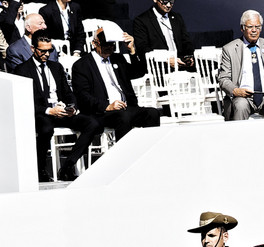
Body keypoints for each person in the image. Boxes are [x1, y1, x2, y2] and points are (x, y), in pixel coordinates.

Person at [15, 31, 102, 181]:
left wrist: (72, 107)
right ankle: (40, 169)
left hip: (61, 111)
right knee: (46, 129)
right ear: (32, 49)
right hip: (42, 113)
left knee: (92, 123)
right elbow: (24, 101)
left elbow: (68, 93)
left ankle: (68, 165)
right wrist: (49, 110)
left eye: (50, 50)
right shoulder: (22, 70)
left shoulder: (56, 67)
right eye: (42, 51)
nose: (47, 54)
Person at [71, 28, 160, 140]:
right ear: (94, 43)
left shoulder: (117, 58)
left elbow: (139, 72)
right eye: (105, 44)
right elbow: (82, 95)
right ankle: (125, 154)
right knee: (124, 117)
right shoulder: (82, 65)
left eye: (112, 44)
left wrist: (131, 50)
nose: (109, 47)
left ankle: (148, 150)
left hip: (126, 107)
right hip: (101, 111)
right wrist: (107, 106)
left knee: (153, 113)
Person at [218, 9, 264, 121]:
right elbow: (223, 78)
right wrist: (235, 90)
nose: (254, 30)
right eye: (250, 27)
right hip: (243, 97)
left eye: (258, 27)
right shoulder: (229, 49)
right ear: (242, 28)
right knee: (240, 105)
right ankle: (240, 137)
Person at [132, 0, 195, 69]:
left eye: (171, 2)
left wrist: (188, 57)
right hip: (159, 68)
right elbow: (143, 49)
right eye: (165, 2)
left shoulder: (177, 17)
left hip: (181, 66)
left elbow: (186, 41)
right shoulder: (141, 20)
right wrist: (165, 59)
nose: (168, 5)